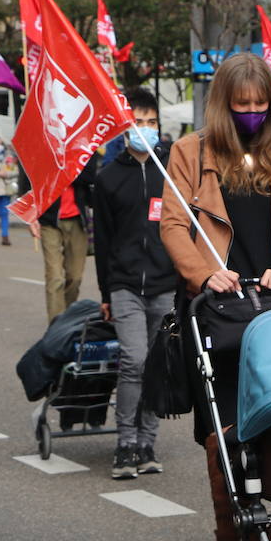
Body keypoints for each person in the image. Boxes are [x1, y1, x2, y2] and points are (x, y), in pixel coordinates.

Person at [160, 53, 271, 541]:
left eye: (260, 103)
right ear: (224, 106)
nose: (251, 112)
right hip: (218, 311)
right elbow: (173, 225)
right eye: (241, 104)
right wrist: (205, 273)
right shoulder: (190, 151)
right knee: (223, 431)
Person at [94, 88, 175, 481]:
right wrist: (106, 292)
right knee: (134, 361)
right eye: (137, 122)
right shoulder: (108, 177)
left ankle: (147, 442)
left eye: (150, 122)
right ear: (124, 128)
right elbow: (104, 241)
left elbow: (185, 231)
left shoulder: (172, 174)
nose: (145, 129)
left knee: (157, 365)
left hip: (165, 285)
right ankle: (125, 443)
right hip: (125, 284)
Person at [34, 154, 96, 322]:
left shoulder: (83, 146)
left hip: (77, 220)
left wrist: (68, 167)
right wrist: (31, 216)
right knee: (55, 278)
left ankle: (66, 319)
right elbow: (31, 180)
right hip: (49, 221)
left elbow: (91, 176)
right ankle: (56, 326)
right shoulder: (45, 147)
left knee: (74, 278)